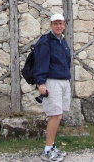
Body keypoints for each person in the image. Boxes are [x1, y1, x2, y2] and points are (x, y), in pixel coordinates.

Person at [34, 13, 72, 162]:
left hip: (63, 80)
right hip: (52, 81)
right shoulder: (45, 41)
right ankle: (47, 151)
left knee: (58, 115)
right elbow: (41, 63)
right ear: (51, 25)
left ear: (64, 25)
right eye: (55, 24)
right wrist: (41, 83)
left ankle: (53, 146)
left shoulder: (62, 41)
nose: (58, 26)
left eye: (60, 23)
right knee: (54, 115)